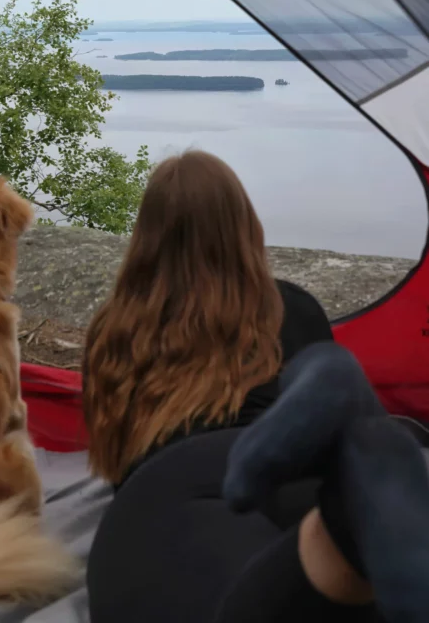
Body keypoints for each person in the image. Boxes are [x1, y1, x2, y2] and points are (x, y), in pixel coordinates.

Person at [87, 342, 429, 622]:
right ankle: (343, 515)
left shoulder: (113, 326)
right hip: (246, 464)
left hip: (159, 493)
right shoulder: (290, 304)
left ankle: (341, 521)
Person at [82, 149, 333, 487]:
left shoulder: (110, 328)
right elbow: (326, 439)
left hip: (143, 516)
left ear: (147, 236)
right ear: (243, 226)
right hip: (262, 516)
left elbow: (115, 464)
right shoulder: (290, 312)